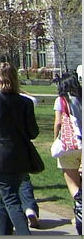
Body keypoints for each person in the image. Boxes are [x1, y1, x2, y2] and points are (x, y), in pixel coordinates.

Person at [0, 62, 40, 235]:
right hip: (21, 157)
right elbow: (33, 132)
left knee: (11, 200)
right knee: (5, 199)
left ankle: (25, 233)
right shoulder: (25, 103)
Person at [53, 73, 82, 234]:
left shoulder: (61, 101)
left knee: (73, 184)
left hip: (69, 146)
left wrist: (55, 139)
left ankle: (80, 209)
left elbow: (58, 122)